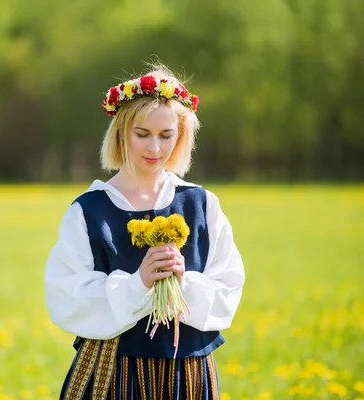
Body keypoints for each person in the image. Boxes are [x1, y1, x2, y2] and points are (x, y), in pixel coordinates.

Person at [44, 64, 245, 400]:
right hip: (114, 370)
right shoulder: (89, 210)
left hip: (187, 374)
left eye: (166, 136)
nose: (154, 148)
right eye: (143, 134)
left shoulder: (201, 203)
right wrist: (138, 284)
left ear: (180, 135)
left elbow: (229, 285)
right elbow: (66, 295)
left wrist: (185, 281)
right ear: (122, 131)